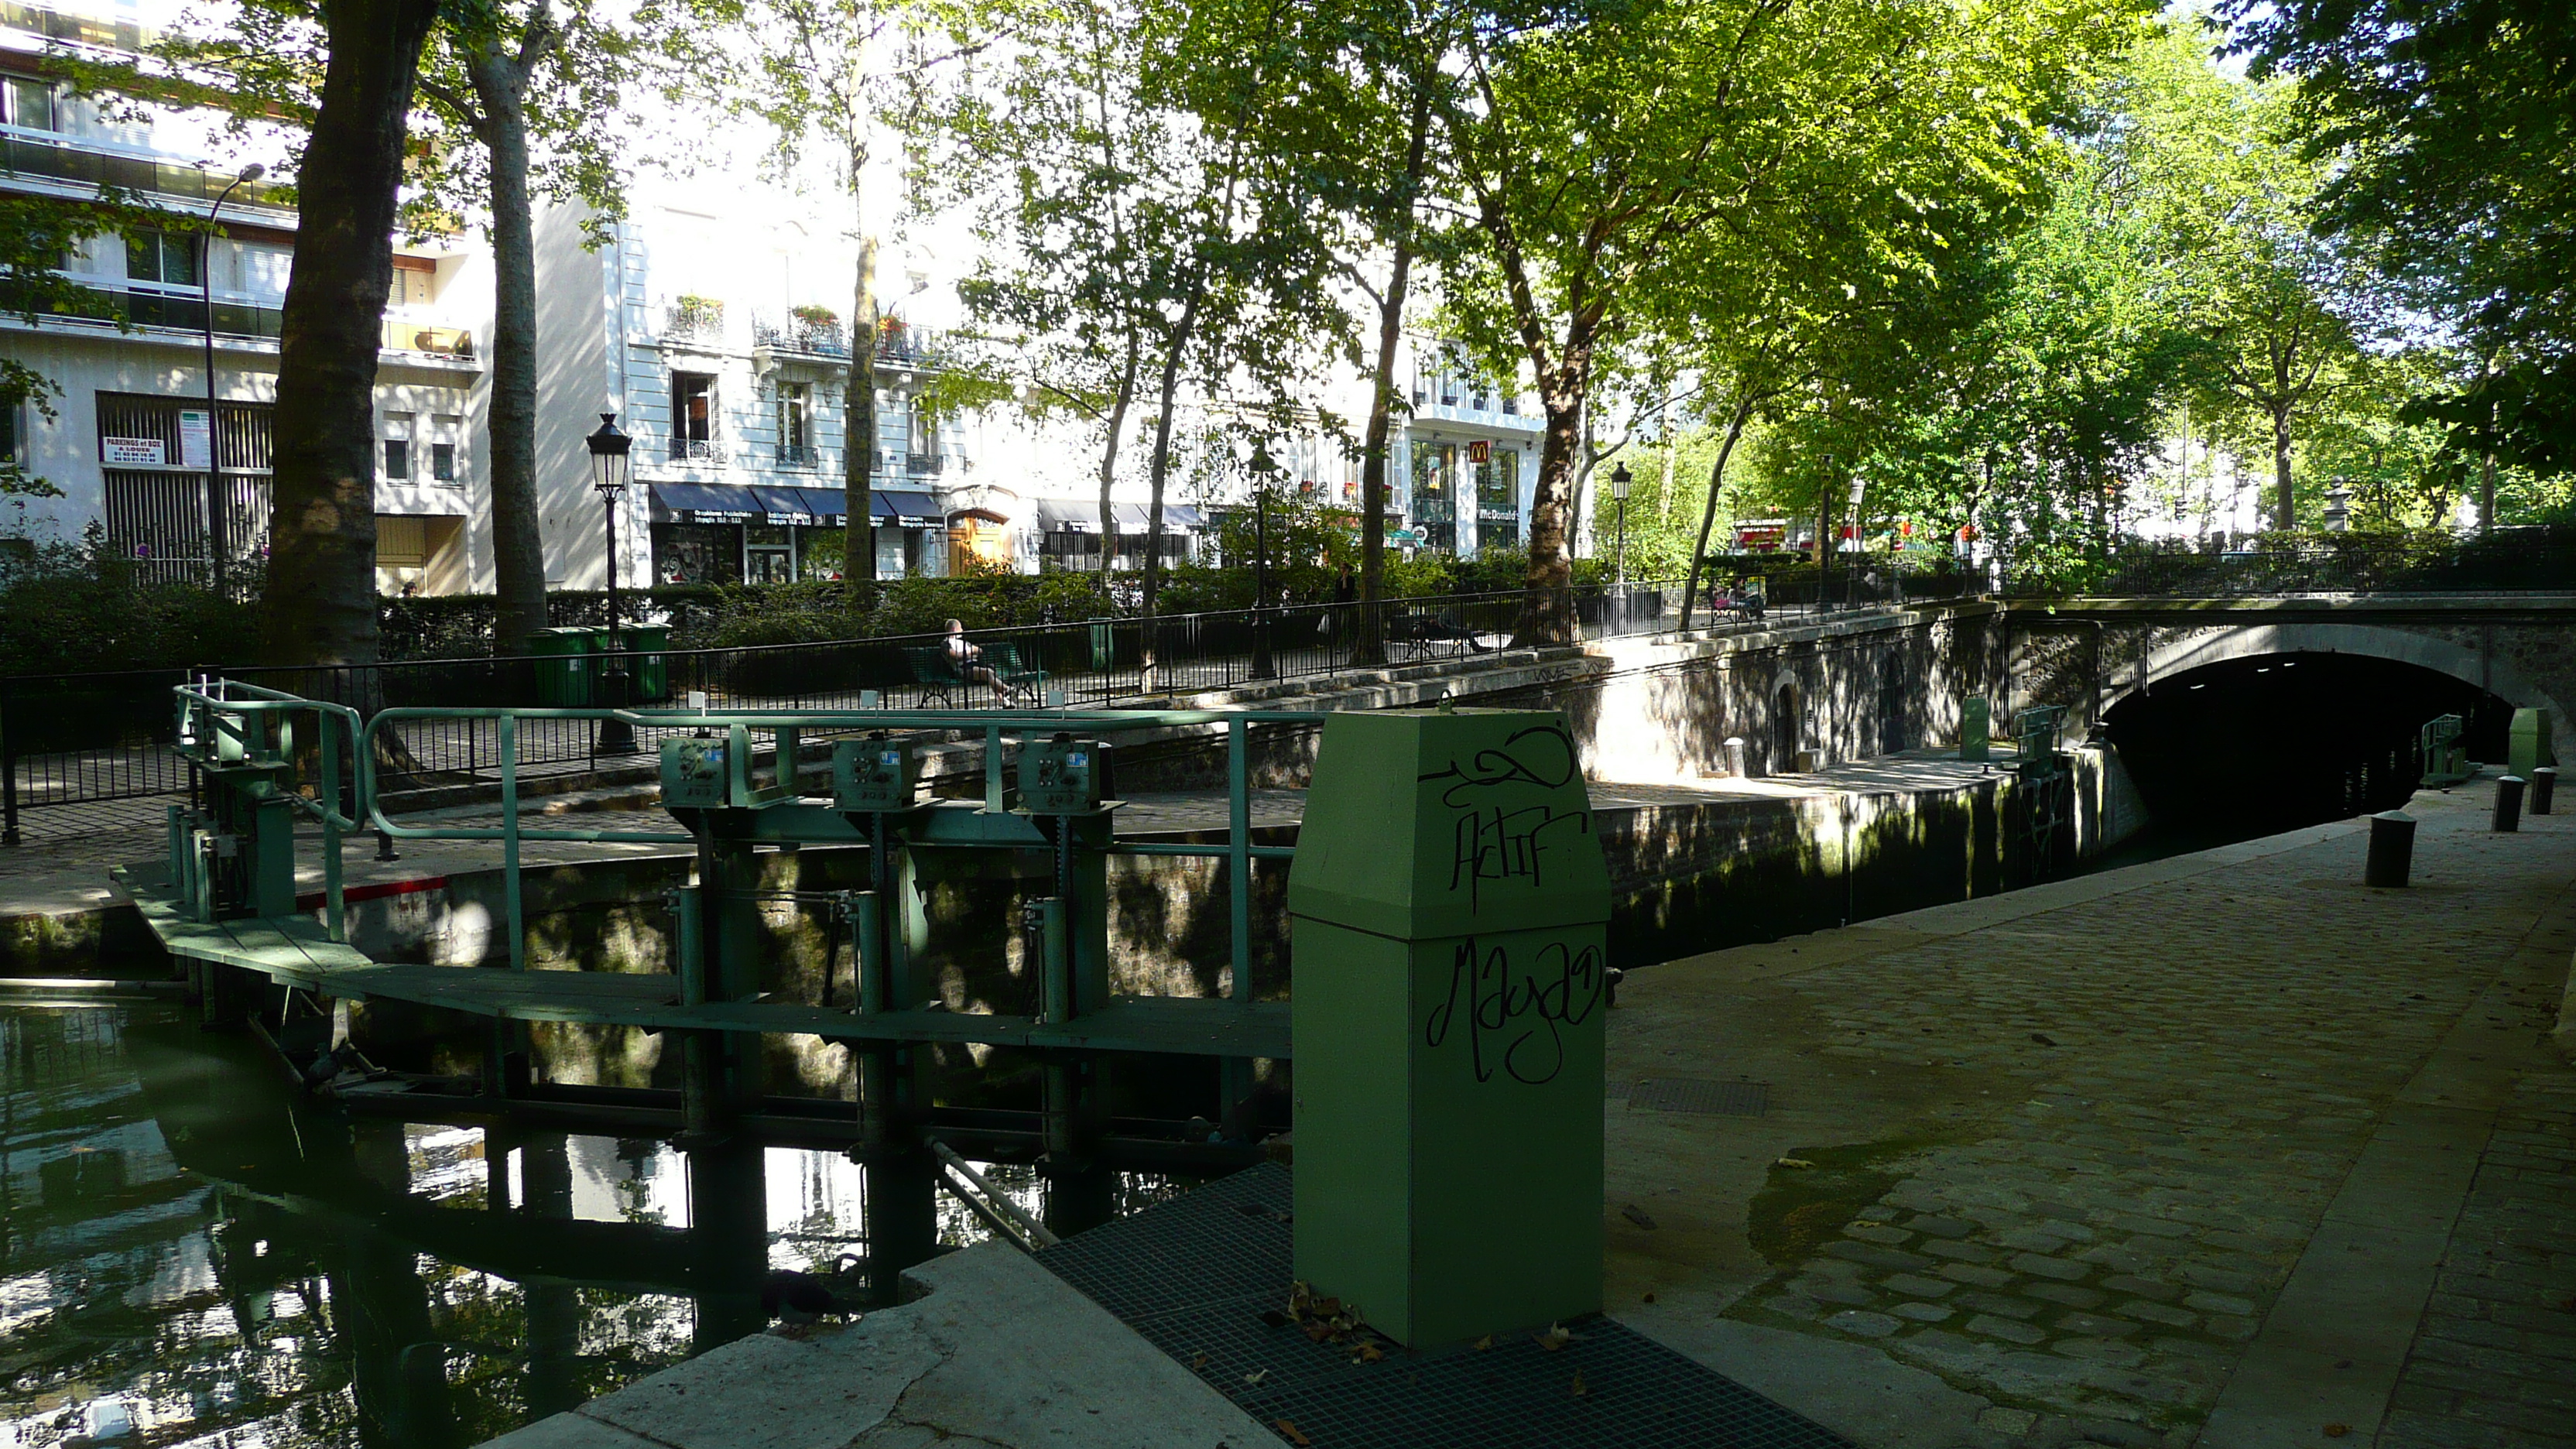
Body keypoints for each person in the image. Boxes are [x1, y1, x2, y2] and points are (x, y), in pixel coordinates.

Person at [944, 618, 1023, 706]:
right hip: (963, 669)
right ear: (954, 629)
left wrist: (969, 652)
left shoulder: (963, 642)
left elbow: (979, 650)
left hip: (974, 665)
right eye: (960, 628)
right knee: (988, 672)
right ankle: (1007, 690)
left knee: (991, 674)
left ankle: (1004, 700)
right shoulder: (946, 644)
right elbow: (957, 656)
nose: (962, 630)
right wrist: (970, 652)